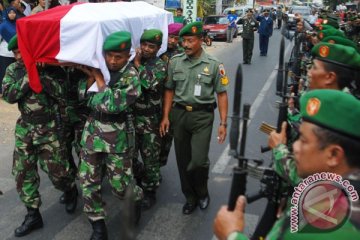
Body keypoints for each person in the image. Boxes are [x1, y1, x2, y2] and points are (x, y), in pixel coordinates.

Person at [213, 89, 360, 240]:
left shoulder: (318, 222)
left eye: (303, 140)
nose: (295, 147)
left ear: (334, 155)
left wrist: (232, 235)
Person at [2, 35, 78, 237]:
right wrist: (30, 74)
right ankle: (32, 214)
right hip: (25, 127)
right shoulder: (14, 70)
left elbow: (63, 93)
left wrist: (41, 74)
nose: (18, 56)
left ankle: (70, 190)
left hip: (49, 127)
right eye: (15, 53)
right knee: (23, 173)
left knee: (58, 172)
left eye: (21, 52)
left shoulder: (52, 68)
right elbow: (8, 95)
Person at [77, 31, 143, 239]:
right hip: (92, 133)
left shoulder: (131, 76)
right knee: (88, 181)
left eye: (118, 57)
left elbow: (113, 105)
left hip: (117, 136)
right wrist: (90, 78)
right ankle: (98, 226)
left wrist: (98, 79)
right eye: (109, 55)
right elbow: (83, 97)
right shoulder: (100, 67)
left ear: (128, 56)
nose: (112, 61)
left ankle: (136, 198)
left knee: (120, 185)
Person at [160, 21, 229, 215]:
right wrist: (166, 116)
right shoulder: (175, 62)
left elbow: (222, 94)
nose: (186, 45)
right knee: (183, 160)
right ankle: (189, 197)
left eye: (190, 41)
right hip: (179, 115)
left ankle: (202, 191)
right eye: (184, 41)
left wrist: (223, 123)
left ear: (201, 40)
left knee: (198, 160)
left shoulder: (214, 65)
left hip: (202, 116)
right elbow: (169, 90)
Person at [132, 29, 167, 210]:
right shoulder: (131, 62)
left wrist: (138, 64)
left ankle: (150, 190)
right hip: (131, 119)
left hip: (149, 121)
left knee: (150, 158)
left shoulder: (160, 65)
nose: (146, 49)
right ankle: (140, 175)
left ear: (158, 48)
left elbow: (150, 83)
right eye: (144, 45)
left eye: (151, 46)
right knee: (129, 156)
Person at [0, 6, 17, 95]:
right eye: (10, 13)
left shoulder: (18, 24)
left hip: (16, 54)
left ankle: (11, 92)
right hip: (4, 53)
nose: (12, 14)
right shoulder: (2, 26)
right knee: (3, 73)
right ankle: (2, 91)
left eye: (13, 12)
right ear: (7, 14)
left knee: (14, 73)